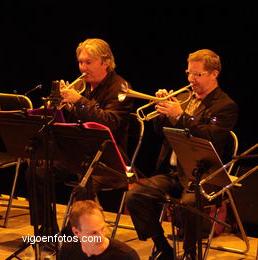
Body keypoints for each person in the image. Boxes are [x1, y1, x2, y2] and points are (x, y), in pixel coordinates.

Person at [126, 49, 238, 260]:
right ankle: (162, 246)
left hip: (204, 176)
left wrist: (180, 116)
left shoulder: (225, 105)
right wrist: (162, 112)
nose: (190, 79)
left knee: (189, 204)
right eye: (188, 73)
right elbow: (161, 132)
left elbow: (211, 136)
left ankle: (190, 254)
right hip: (174, 173)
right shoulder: (184, 97)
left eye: (197, 74)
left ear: (214, 74)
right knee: (135, 195)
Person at [26, 38, 133, 230]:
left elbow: (111, 123)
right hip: (79, 153)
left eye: (88, 62)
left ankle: (73, 237)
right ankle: (46, 231)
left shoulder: (120, 88)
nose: (83, 68)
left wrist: (79, 102)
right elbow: (68, 125)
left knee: (84, 185)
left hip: (109, 159)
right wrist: (63, 107)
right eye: (81, 62)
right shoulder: (85, 86)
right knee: (37, 170)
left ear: (106, 62)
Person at [58, 200, 139, 259]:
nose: (101, 237)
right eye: (93, 233)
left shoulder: (126, 256)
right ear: (76, 232)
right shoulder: (67, 251)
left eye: (103, 228)